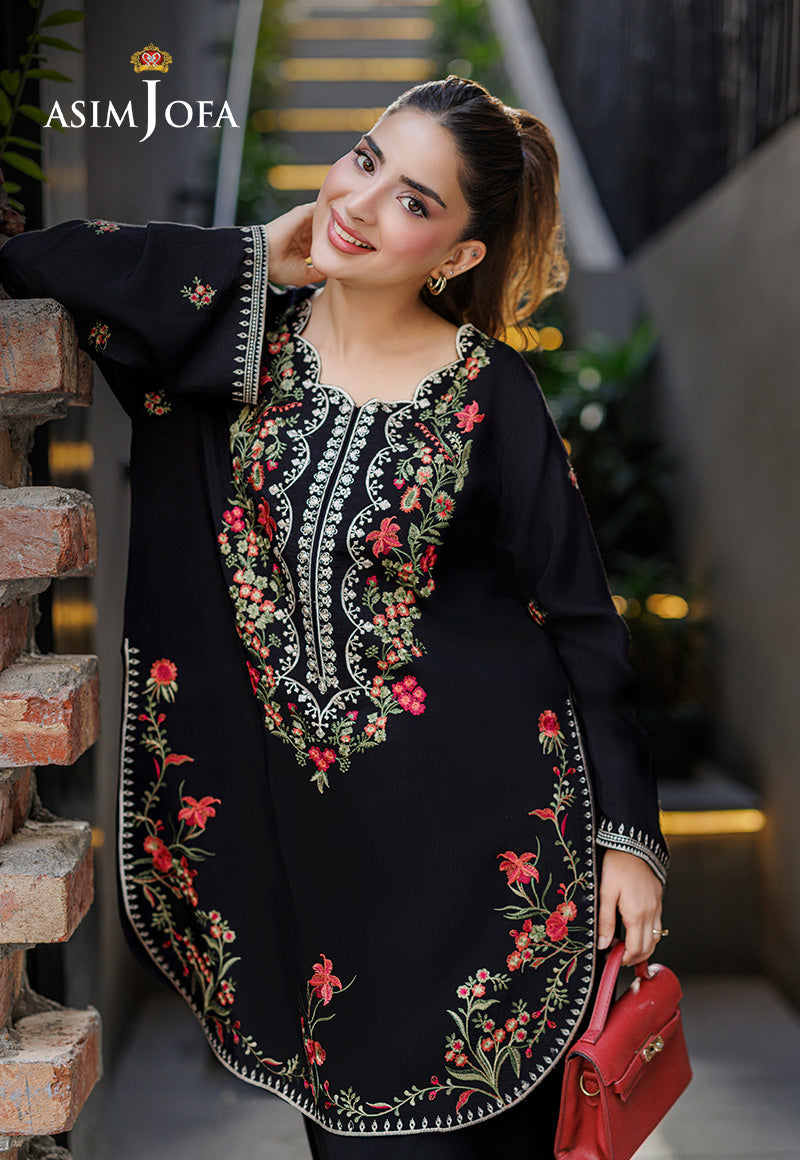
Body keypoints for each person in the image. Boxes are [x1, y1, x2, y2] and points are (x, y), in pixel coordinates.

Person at [0, 75, 668, 1159]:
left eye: (413, 201)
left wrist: (626, 839)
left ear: (457, 252)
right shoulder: (227, 352)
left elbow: (581, 622)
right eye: (365, 159)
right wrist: (260, 251)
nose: (359, 203)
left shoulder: (490, 391)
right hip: (319, 882)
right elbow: (44, 262)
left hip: (497, 861)